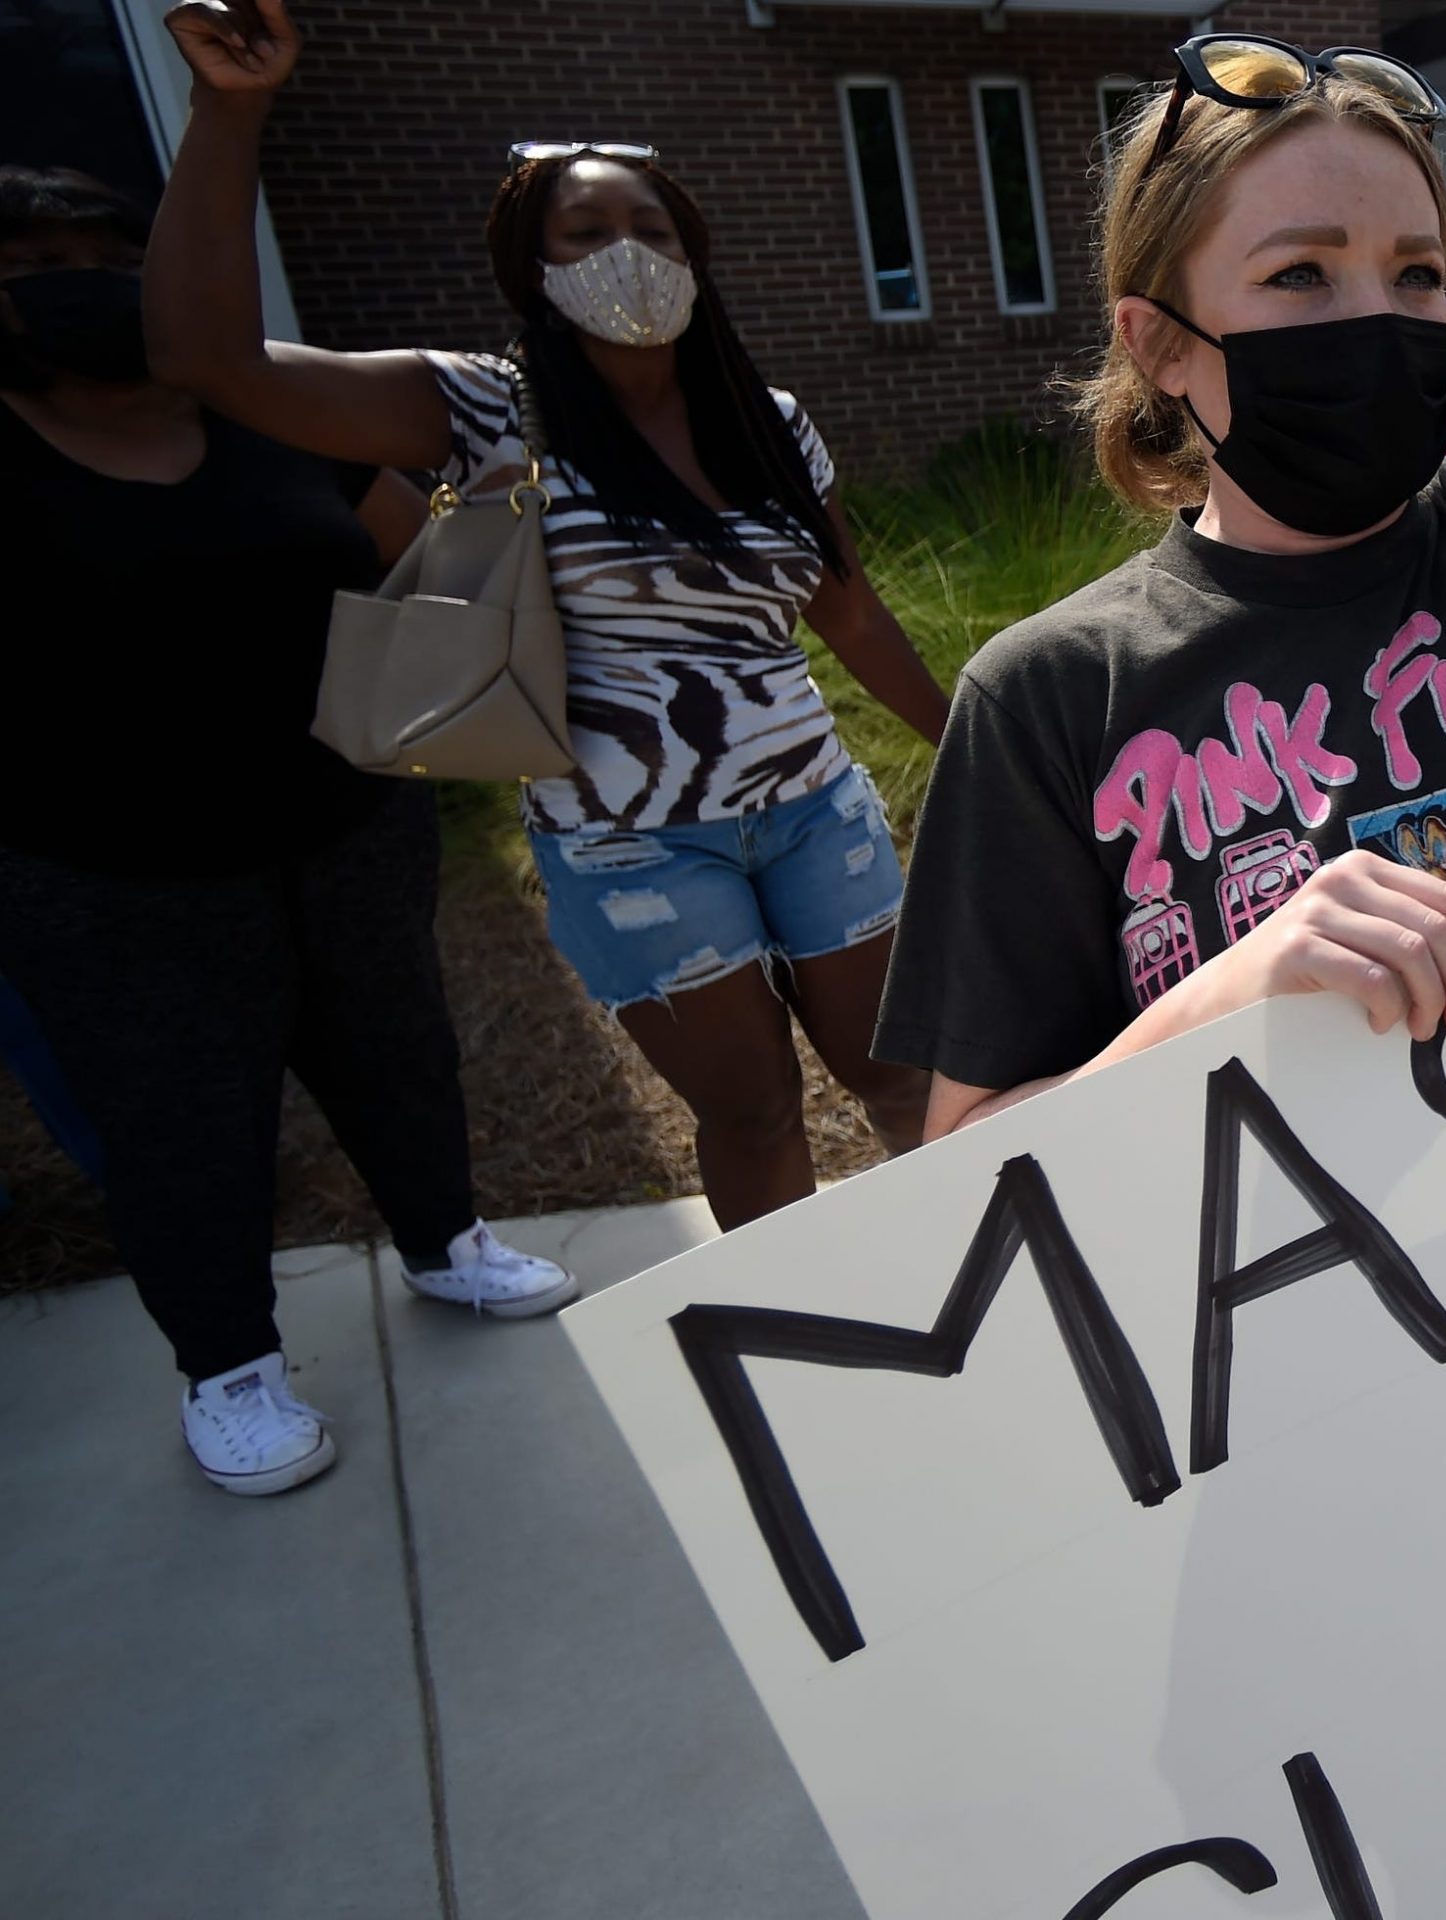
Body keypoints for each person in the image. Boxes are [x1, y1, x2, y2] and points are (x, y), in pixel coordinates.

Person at [874, 14, 1446, 1913]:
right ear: (1159, 343)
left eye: (1414, 272)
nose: (1378, 319)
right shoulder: (1054, 698)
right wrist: (1226, 994)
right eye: (1296, 274)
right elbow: (964, 1182)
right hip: (1298, 1490)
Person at [152, 0, 951, 1232]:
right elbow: (212, 362)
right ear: (534, 262)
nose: (627, 250)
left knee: (899, 1077)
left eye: (653, 227)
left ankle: (975, 1272)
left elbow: (848, 613)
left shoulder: (769, 418)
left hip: (811, 809)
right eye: (587, 229)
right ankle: (804, 1346)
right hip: (627, 839)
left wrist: (965, 742)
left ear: (694, 253)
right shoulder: (479, 407)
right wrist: (227, 110)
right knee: (754, 1116)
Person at [0, 166, 574, 1498]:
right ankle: (229, 1366)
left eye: (105, 252)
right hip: (112, 873)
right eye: (31, 261)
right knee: (178, 1118)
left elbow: (413, 557)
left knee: (395, 1052)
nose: (75, 280)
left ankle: (446, 1243)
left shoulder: (266, 424)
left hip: (343, 822)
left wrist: (500, 534)